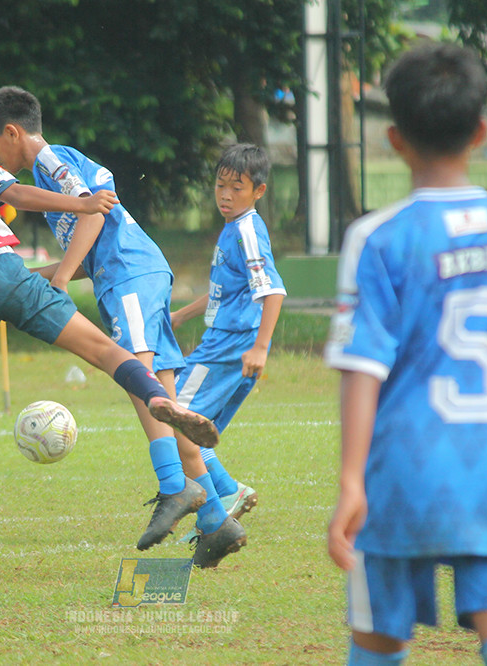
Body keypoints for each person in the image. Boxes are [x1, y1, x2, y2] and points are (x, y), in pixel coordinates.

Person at [0, 87, 218, 581]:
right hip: (7, 272)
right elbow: (18, 196)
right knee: (104, 350)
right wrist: (81, 205)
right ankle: (159, 398)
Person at [323, 44, 487, 665]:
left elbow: (362, 366)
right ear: (481, 132)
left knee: (379, 637)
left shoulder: (376, 237)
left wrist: (351, 481)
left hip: (406, 471)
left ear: (394, 139)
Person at [0, 86, 242, 566]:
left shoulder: (50, 161)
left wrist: (59, 279)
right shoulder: (59, 164)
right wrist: (34, 276)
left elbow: (94, 213)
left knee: (138, 379)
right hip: (136, 271)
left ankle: (174, 486)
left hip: (129, 275)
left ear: (12, 132)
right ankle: (217, 519)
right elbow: (89, 244)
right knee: (161, 393)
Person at [170, 144, 286, 557]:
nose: (225, 195)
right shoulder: (234, 227)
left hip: (230, 345)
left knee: (175, 419)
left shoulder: (247, 231)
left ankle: (216, 516)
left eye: (237, 188)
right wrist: (182, 315)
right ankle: (228, 494)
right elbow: (228, 291)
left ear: (259, 191)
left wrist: (260, 348)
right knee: (194, 428)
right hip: (227, 341)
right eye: (220, 185)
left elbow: (273, 291)